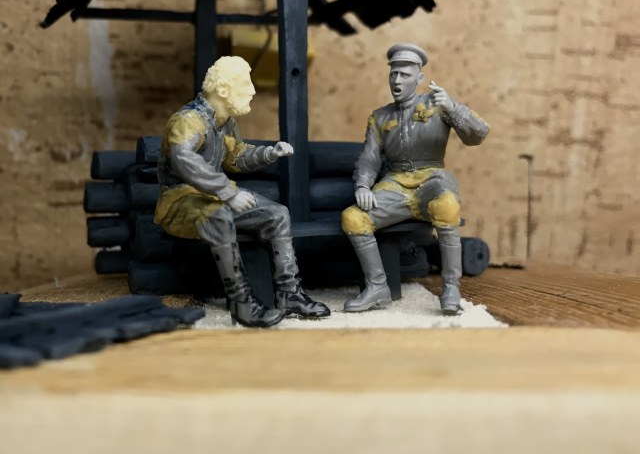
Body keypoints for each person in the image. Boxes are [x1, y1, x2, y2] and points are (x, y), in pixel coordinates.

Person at [154, 56, 330, 327]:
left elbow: (235, 156)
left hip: (212, 196)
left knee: (277, 214)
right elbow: (184, 160)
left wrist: (269, 153)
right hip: (179, 201)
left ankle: (289, 293)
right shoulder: (189, 121)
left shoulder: (225, 123)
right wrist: (227, 192)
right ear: (224, 90)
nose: (252, 90)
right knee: (220, 216)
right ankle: (242, 304)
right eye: (245, 84)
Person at [341, 43, 490, 315]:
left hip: (432, 179)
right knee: (353, 218)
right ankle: (377, 287)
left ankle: (451, 287)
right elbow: (369, 158)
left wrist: (453, 107)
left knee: (447, 205)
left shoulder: (438, 104)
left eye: (405, 75)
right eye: (393, 74)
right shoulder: (380, 117)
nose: (397, 80)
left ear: (419, 78)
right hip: (395, 184)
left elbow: (478, 134)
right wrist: (362, 184)